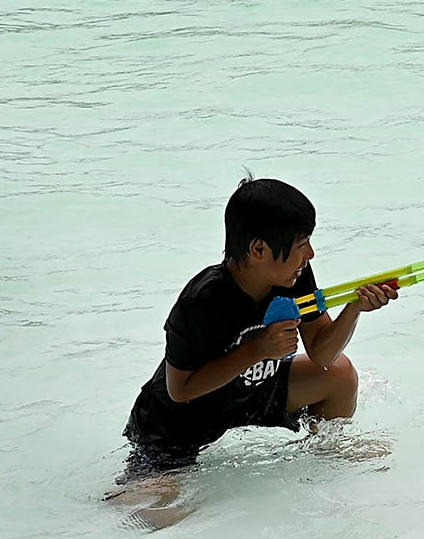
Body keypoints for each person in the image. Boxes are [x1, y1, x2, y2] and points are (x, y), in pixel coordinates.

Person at [114, 177, 399, 520]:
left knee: (340, 375)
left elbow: (323, 354)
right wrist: (257, 350)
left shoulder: (294, 277)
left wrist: (354, 309)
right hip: (178, 424)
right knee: (161, 515)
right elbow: (180, 390)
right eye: (302, 243)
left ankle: (328, 454)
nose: (310, 254)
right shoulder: (203, 299)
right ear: (258, 249)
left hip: (253, 393)